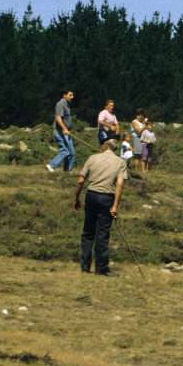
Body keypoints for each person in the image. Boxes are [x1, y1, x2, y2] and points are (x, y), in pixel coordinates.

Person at [73, 139, 128, 275]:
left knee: (88, 232)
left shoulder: (92, 158)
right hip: (106, 197)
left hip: (91, 195)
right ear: (114, 149)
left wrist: (77, 198)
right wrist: (115, 205)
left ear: (105, 146)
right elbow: (120, 185)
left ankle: (85, 267)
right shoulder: (120, 162)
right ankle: (101, 268)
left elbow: (80, 180)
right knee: (102, 233)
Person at [47, 90, 76, 172]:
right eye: (70, 95)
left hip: (66, 132)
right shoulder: (60, 104)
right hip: (60, 132)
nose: (72, 97)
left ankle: (67, 172)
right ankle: (51, 165)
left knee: (71, 153)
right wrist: (64, 129)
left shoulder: (67, 105)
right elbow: (58, 118)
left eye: (72, 95)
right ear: (64, 95)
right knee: (65, 151)